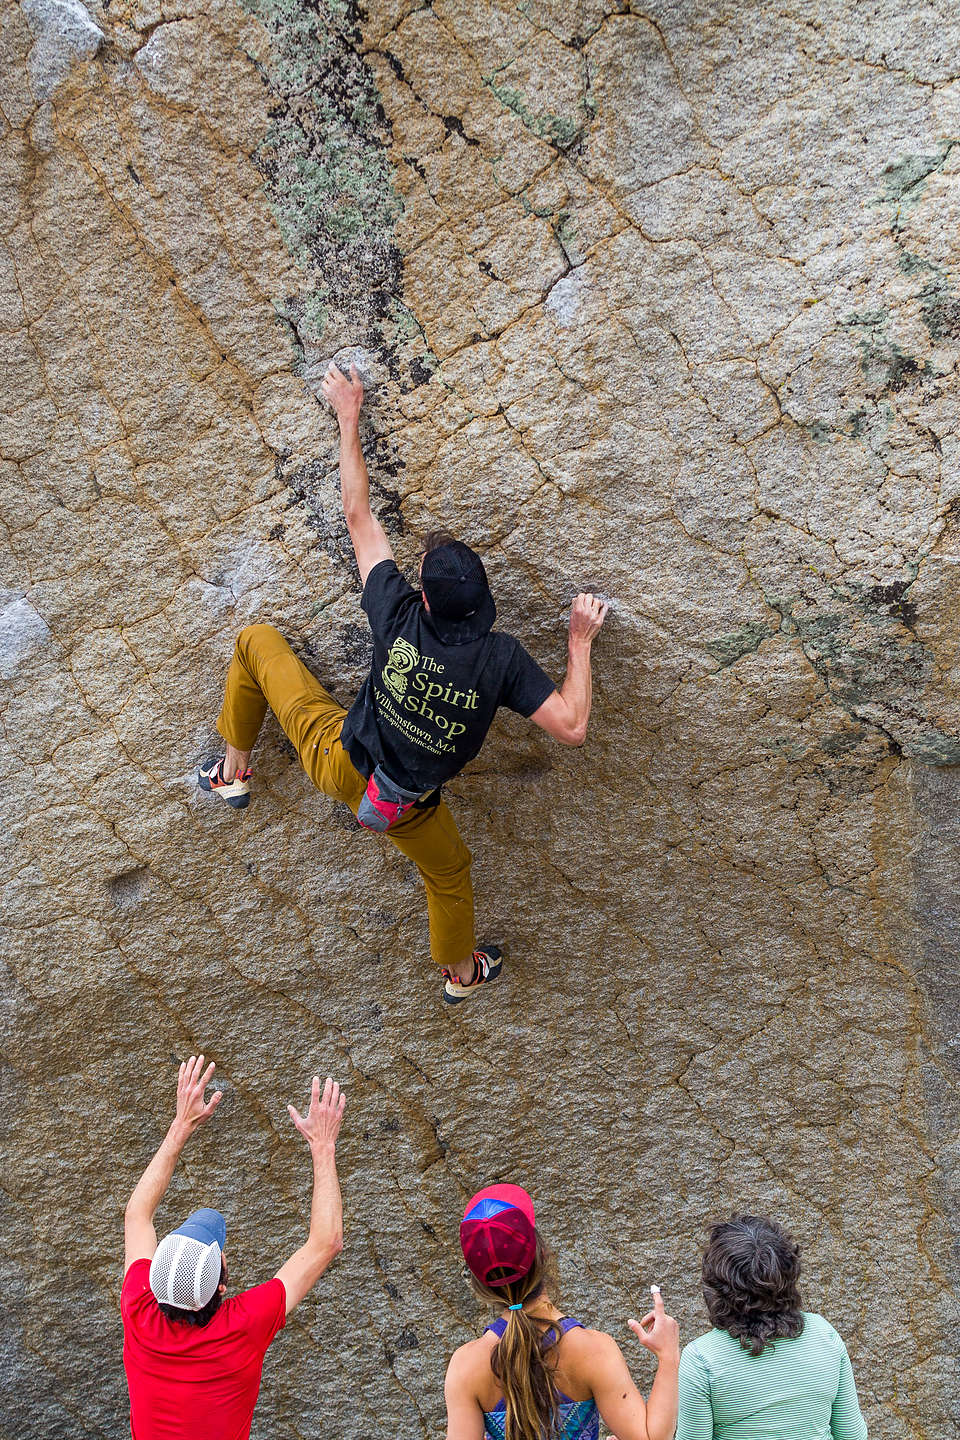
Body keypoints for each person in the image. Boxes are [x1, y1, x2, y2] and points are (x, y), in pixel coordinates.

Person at [200, 361, 609, 1004]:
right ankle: (462, 975)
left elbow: (358, 515)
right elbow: (573, 726)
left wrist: (348, 415)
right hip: (406, 807)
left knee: (255, 643)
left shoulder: (395, 612)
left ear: (423, 596)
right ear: (483, 603)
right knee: (449, 874)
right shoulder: (499, 661)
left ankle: (232, 773)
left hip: (343, 763)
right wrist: (579, 644)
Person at [121, 1055, 345, 1440]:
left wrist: (180, 1126)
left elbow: (137, 1215)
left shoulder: (138, 1310)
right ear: (221, 1285)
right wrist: (322, 1146)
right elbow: (327, 1242)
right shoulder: (242, 1327)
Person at [444, 1183, 679, 1440]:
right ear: (542, 1254)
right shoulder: (593, 1350)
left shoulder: (465, 1366)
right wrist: (668, 1356)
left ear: (478, 1282)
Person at [676, 1214, 868, 1440]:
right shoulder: (824, 1335)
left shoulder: (702, 1359)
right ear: (790, 1273)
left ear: (715, 1286)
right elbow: (852, 1435)